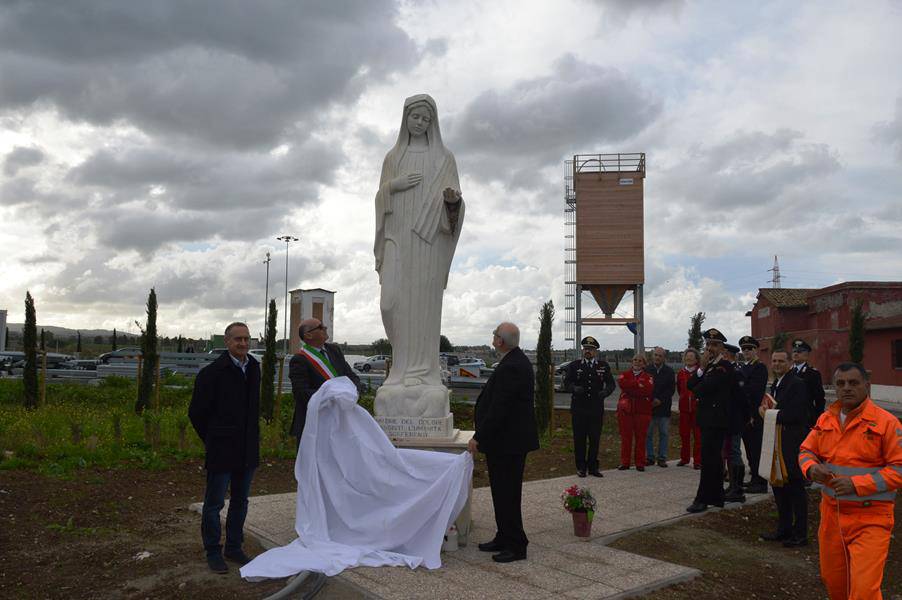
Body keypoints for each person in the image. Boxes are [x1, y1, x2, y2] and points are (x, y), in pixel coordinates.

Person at [373, 93, 465, 417]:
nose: (420, 123)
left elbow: (454, 207)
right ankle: (400, 367)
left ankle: (422, 372)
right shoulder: (392, 158)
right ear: (405, 118)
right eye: (415, 117)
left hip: (427, 245)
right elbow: (379, 198)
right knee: (391, 303)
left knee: (423, 309)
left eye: (426, 119)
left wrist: (453, 203)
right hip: (397, 238)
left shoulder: (444, 159)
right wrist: (393, 187)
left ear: (433, 122)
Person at [799, 362, 901, 599]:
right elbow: (805, 451)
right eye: (841, 383)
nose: (846, 388)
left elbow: (899, 469)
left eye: (853, 383)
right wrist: (811, 469)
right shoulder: (826, 420)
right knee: (836, 585)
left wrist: (857, 484)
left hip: (871, 518)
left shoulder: (887, 423)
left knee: (864, 591)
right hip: (831, 517)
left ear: (867, 385)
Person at [188, 322, 260, 573]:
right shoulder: (212, 373)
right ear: (227, 342)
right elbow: (197, 413)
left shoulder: (254, 368)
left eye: (247, 339)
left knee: (240, 501)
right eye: (238, 339)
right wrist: (213, 438)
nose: (243, 344)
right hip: (222, 449)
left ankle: (233, 546)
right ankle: (212, 551)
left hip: (247, 449)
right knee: (215, 503)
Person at [469, 322, 539, 563]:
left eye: (494, 334)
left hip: (508, 443)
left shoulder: (513, 366)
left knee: (508, 493)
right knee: (500, 492)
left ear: (500, 341)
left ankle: (517, 545)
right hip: (505, 442)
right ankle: (503, 536)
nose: (492, 337)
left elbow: (500, 408)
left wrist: (479, 437)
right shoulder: (513, 360)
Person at [759, 349, 810, 547]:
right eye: (774, 361)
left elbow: (795, 414)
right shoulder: (776, 384)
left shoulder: (797, 384)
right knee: (779, 487)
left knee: (795, 489)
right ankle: (783, 529)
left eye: (781, 360)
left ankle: (800, 534)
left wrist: (768, 414)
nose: (777, 364)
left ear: (789, 362)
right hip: (776, 442)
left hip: (790, 443)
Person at [288, 318, 361, 449]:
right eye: (320, 327)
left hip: (340, 421)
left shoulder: (334, 350)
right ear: (308, 335)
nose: (325, 328)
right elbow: (301, 393)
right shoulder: (299, 360)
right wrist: (332, 396)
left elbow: (350, 376)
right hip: (315, 423)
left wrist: (354, 392)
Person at [686, 328, 734, 513]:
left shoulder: (724, 367)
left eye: (714, 345)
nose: (710, 348)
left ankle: (702, 499)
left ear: (722, 348)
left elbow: (701, 389)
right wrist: (701, 369)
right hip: (707, 419)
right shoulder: (709, 367)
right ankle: (716, 497)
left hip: (716, 420)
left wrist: (703, 373)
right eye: (708, 345)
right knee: (712, 460)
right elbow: (690, 384)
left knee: (709, 461)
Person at [564, 336, 616, 477]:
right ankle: (581, 467)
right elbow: (566, 383)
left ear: (596, 351)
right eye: (586, 349)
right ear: (582, 350)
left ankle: (593, 467)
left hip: (595, 409)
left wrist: (605, 392)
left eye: (591, 349)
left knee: (594, 439)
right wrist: (574, 388)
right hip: (579, 409)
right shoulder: (574, 366)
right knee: (579, 439)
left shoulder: (603, 366)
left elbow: (611, 384)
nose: (588, 351)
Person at [738, 335, 768, 494]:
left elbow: (754, 392)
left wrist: (748, 411)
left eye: (749, 349)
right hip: (744, 414)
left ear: (756, 350)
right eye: (744, 349)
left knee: (756, 448)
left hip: (754, 414)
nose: (746, 352)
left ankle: (761, 482)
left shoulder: (759, 367)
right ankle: (754, 478)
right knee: (749, 449)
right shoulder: (743, 367)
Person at [616, 354, 654, 471]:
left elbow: (647, 390)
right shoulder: (625, 374)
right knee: (626, 437)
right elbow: (622, 384)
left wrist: (632, 386)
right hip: (626, 412)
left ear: (644, 364)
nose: (637, 362)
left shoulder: (649, 377)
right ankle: (625, 462)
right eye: (635, 360)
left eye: (640, 361)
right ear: (631, 362)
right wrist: (637, 384)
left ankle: (640, 463)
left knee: (641, 438)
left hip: (642, 412)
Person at [722, 343, 749, 503]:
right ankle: (732, 485)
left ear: (728, 355)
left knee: (734, 452)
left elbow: (741, 399)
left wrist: (744, 418)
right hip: (726, 419)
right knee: (729, 452)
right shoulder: (726, 370)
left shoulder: (736, 372)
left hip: (734, 419)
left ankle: (737, 489)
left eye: (724, 353)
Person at [645, 346, 676, 468]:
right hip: (650, 407)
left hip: (663, 408)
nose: (657, 357)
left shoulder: (669, 371)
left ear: (664, 358)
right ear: (652, 356)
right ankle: (650, 457)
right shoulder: (647, 370)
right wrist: (652, 400)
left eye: (660, 356)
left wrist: (660, 400)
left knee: (664, 433)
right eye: (655, 355)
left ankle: (662, 458)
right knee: (648, 434)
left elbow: (671, 389)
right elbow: (645, 387)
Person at [676, 348, 702, 469]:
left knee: (698, 436)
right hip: (684, 409)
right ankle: (684, 458)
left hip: (697, 410)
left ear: (696, 359)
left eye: (691, 357)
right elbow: (679, 389)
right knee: (684, 435)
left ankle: (697, 461)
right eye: (687, 357)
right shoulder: (681, 373)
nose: (689, 359)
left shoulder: (700, 372)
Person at [790, 339, 826, 426]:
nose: (796, 354)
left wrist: (818, 419)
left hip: (806, 418)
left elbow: (819, 399)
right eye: (794, 351)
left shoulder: (812, 373)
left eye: (799, 352)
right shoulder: (788, 372)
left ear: (806, 355)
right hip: (789, 417)